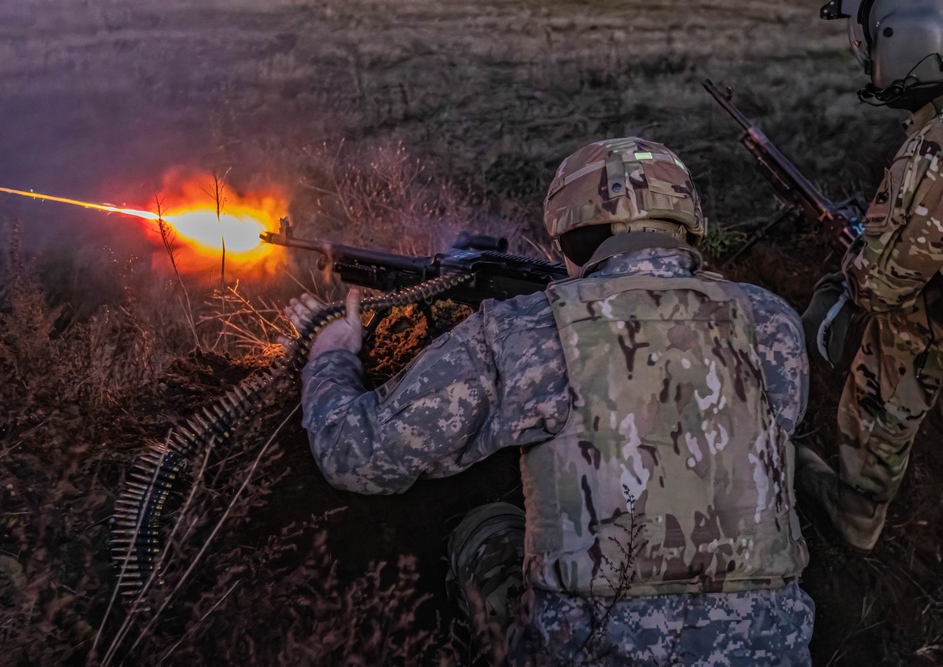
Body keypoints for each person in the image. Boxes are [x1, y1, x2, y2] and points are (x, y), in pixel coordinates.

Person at [286, 137, 813, 665]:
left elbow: (355, 453)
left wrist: (331, 356)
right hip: (771, 649)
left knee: (486, 533)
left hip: (596, 651)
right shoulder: (772, 324)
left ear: (576, 235)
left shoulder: (533, 331)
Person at [799, 0, 943, 553]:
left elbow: (884, 286)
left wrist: (841, 286)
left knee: (901, 330)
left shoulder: (933, 148)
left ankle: (856, 510)